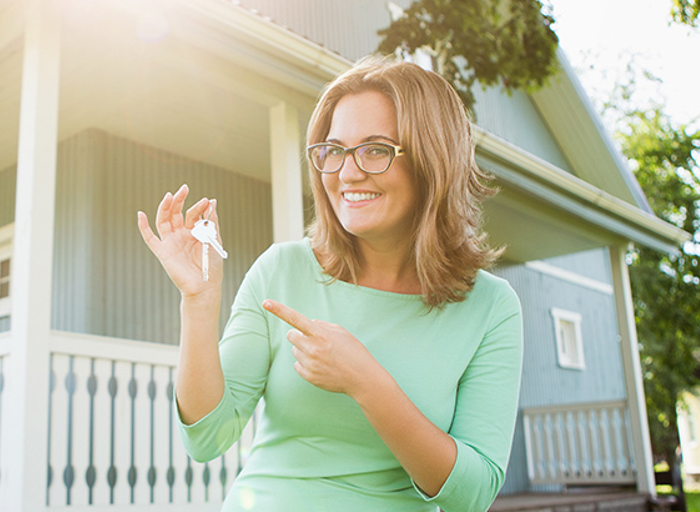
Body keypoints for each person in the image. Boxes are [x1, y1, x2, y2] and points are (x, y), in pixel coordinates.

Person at [136, 56, 523, 512]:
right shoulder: (282, 269)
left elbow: (473, 495)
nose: (347, 173)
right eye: (333, 150)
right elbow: (206, 438)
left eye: (376, 149)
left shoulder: (490, 307)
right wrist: (199, 304)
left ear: (432, 160)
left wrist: (367, 382)